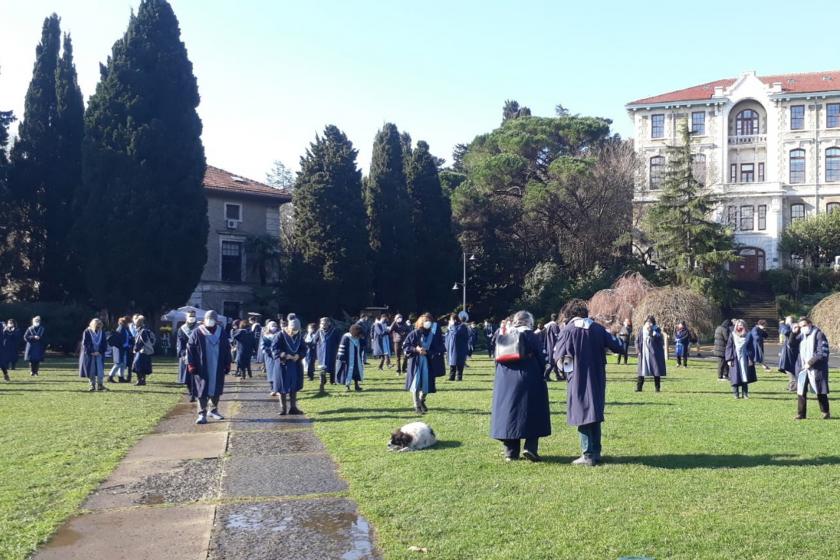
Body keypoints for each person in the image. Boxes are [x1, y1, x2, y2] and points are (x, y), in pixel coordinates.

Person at [553, 300, 624, 466]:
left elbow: (561, 356)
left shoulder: (568, 330)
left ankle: (587, 454)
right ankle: (596, 451)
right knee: (594, 412)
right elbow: (618, 347)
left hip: (578, 376)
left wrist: (568, 373)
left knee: (582, 412)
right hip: (597, 375)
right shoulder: (597, 328)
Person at [490, 310, 551, 462]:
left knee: (509, 413)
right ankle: (530, 447)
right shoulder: (531, 335)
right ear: (529, 322)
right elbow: (542, 357)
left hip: (505, 379)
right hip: (528, 376)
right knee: (532, 411)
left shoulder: (502, 334)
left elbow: (495, 355)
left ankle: (510, 451)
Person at [187, 310, 230, 424]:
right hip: (202, 367)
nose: (210, 321)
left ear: (216, 321)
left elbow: (226, 348)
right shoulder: (197, 332)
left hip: (218, 365)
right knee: (202, 390)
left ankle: (214, 410)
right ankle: (202, 414)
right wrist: (191, 364)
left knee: (216, 389)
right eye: (208, 318)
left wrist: (227, 363)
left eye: (212, 319)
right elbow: (190, 349)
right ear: (204, 319)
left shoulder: (221, 332)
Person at [788, 317, 831, 420]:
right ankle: (801, 414)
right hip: (802, 367)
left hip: (816, 368)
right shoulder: (801, 335)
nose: (803, 328)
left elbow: (822, 353)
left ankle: (825, 412)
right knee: (801, 390)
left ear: (810, 324)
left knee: (820, 390)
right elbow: (791, 345)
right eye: (800, 326)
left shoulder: (819, 334)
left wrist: (810, 363)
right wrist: (793, 333)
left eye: (804, 325)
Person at [404, 313, 446, 414]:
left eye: (429, 321)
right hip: (416, 362)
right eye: (425, 321)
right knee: (416, 384)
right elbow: (406, 346)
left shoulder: (433, 335)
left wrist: (428, 352)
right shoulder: (414, 333)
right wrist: (416, 349)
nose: (428, 323)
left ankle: (422, 399)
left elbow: (440, 348)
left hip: (428, 362)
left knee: (427, 385)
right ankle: (417, 406)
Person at [271, 315, 306, 415]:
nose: (294, 332)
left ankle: (293, 407)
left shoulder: (299, 335)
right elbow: (274, 348)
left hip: (295, 364)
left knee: (293, 386)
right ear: (289, 327)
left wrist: (299, 355)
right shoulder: (280, 335)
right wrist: (285, 355)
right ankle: (283, 408)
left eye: (296, 330)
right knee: (282, 386)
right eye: (293, 329)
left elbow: (303, 349)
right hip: (283, 364)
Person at [725, 319, 757, 399]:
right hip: (735, 358)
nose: (740, 326)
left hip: (745, 357)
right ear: (736, 326)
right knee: (735, 376)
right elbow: (729, 347)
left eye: (741, 325)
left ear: (744, 325)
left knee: (744, 375)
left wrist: (751, 358)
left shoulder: (749, 334)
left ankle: (745, 394)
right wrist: (729, 359)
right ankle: (736, 394)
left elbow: (751, 347)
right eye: (738, 325)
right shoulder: (732, 334)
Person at [636, 315, 666, 392]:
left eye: (650, 322)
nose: (649, 323)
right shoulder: (641, 329)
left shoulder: (657, 329)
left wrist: (652, 332)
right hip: (643, 352)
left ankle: (657, 388)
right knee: (641, 370)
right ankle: (639, 388)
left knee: (656, 370)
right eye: (647, 321)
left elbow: (660, 339)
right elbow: (637, 340)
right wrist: (638, 349)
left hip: (653, 352)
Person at [79, 318, 108, 392]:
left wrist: (100, 352)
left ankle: (100, 385)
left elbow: (104, 343)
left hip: (99, 354)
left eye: (99, 325)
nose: (98, 327)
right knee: (91, 370)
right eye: (97, 325)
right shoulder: (87, 332)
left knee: (100, 370)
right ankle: (92, 385)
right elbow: (85, 344)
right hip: (90, 354)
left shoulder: (102, 332)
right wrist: (91, 352)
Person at [176, 311, 199, 402]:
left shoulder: (199, 328)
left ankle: (195, 393)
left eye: (193, 316)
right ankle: (191, 392)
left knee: (197, 375)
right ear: (186, 317)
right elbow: (180, 342)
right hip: (186, 354)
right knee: (187, 377)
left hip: (197, 355)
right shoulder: (182, 329)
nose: (192, 317)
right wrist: (182, 354)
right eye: (190, 316)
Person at [313, 317, 340, 391]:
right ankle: (322, 379)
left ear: (329, 323)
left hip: (332, 351)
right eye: (322, 323)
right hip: (321, 352)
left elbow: (338, 341)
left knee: (332, 365)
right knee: (322, 366)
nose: (323, 325)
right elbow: (315, 340)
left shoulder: (334, 331)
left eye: (325, 323)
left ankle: (332, 380)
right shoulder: (319, 331)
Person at [336, 324, 365, 392]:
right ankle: (347, 386)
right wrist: (341, 358)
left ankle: (356, 385)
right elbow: (342, 348)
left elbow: (363, 345)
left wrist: (362, 338)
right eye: (358, 334)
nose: (358, 336)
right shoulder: (346, 337)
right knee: (347, 372)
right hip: (347, 359)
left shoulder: (358, 338)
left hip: (357, 358)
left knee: (356, 372)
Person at [107, 316, 133, 384]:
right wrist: (126, 346)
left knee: (123, 364)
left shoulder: (125, 328)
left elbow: (128, 338)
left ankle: (121, 377)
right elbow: (120, 340)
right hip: (119, 349)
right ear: (126, 322)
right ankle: (110, 377)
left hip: (123, 348)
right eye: (129, 322)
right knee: (118, 363)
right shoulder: (121, 328)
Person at [131, 315, 155, 386]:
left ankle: (139, 380)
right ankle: (143, 380)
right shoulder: (146, 329)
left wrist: (136, 349)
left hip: (141, 351)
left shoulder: (142, 331)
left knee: (137, 366)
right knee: (143, 367)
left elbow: (141, 342)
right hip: (145, 352)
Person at [446, 312, 470, 381]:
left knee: (459, 362)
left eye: (451, 320)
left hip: (459, 348)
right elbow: (447, 336)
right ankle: (451, 376)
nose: (450, 321)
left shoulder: (462, 326)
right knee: (452, 362)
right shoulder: (451, 327)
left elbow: (456, 334)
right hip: (451, 348)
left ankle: (459, 377)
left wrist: (452, 326)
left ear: (455, 320)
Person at [778, 316, 799, 392]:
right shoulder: (790, 326)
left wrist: (782, 324)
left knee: (789, 367)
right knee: (788, 367)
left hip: (792, 351)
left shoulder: (794, 326)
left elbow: (786, 331)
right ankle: (792, 384)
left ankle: (794, 385)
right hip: (789, 350)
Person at [262, 321, 280, 396]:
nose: (274, 327)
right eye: (272, 326)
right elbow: (263, 346)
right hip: (269, 357)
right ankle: (272, 389)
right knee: (270, 373)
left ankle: (277, 389)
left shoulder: (279, 335)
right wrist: (269, 351)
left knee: (277, 373)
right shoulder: (265, 336)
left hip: (277, 357)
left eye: (275, 325)